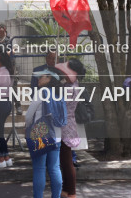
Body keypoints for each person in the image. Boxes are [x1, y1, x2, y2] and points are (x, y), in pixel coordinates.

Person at [27, 69, 68, 198]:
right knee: (55, 168)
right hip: (56, 134)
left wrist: (27, 127)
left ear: (50, 79)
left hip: (42, 132)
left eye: (42, 77)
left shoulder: (41, 92)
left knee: (39, 168)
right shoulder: (59, 94)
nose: (38, 79)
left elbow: (29, 115)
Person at [55, 59, 88, 198]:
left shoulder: (69, 87)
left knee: (66, 161)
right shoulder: (73, 84)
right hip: (68, 123)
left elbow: (59, 105)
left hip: (65, 125)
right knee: (64, 159)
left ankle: (72, 192)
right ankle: (66, 190)